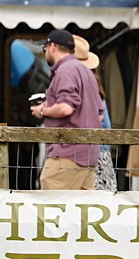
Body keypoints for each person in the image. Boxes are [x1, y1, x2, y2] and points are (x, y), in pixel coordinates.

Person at [31, 28, 103, 190]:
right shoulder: (87, 73)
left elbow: (65, 108)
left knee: (51, 210)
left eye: (45, 49)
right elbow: (99, 115)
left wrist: (42, 111)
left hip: (66, 155)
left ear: (53, 47)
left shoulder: (65, 71)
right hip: (89, 156)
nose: (45, 52)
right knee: (80, 213)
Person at [84, 50, 118, 192]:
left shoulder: (90, 87)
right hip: (101, 149)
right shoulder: (96, 85)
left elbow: (98, 117)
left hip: (96, 150)